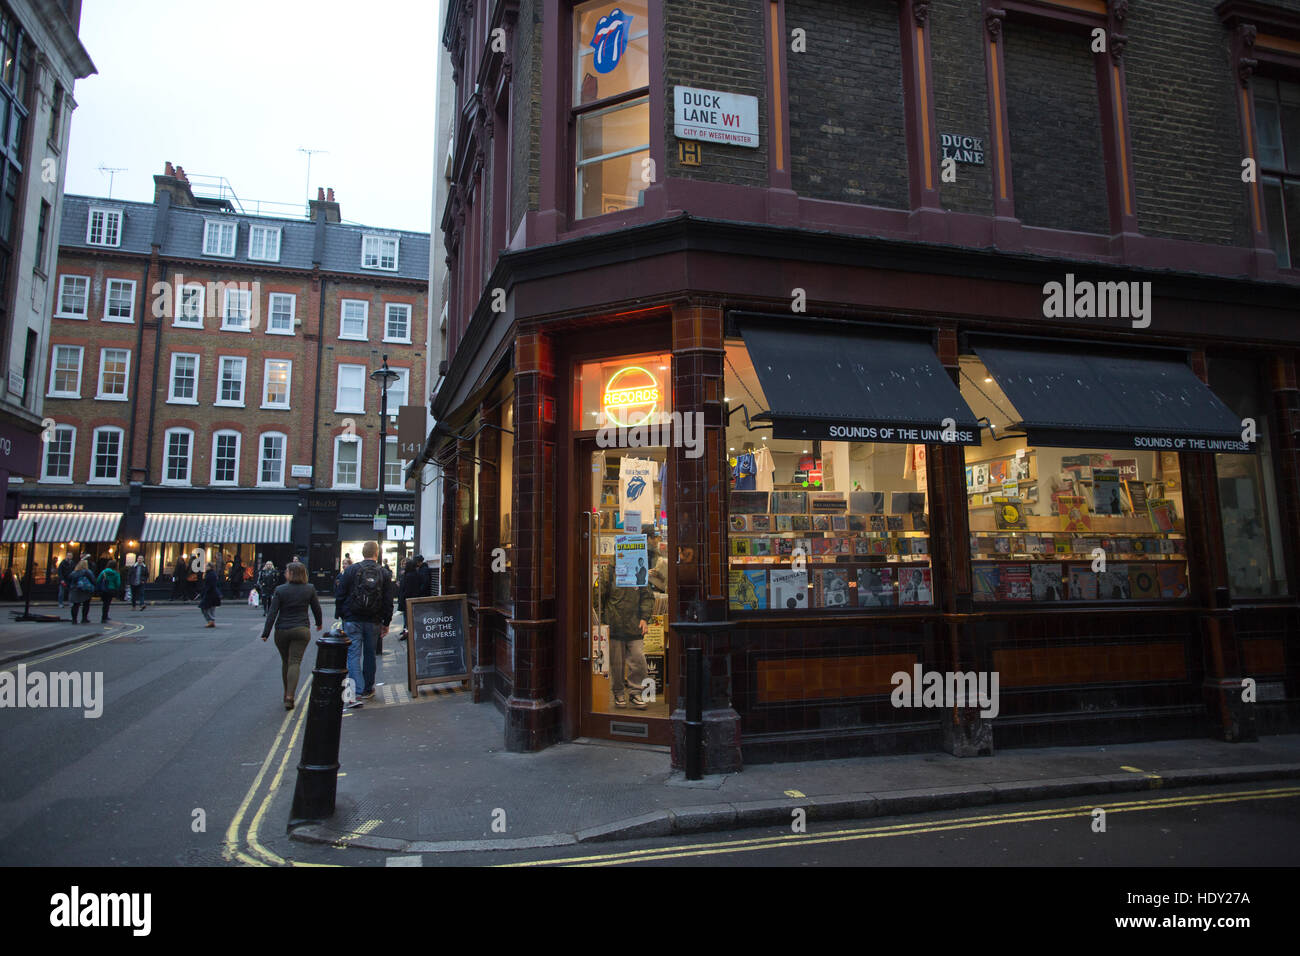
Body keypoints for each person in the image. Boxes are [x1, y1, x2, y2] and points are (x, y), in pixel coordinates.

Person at [594, 524, 655, 709]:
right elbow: (598, 596)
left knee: (639, 661)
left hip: (635, 624)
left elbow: (647, 597)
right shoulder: (609, 571)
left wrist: (644, 618)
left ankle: (636, 692)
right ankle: (619, 693)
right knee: (616, 664)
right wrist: (601, 621)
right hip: (614, 625)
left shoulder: (639, 570)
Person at [334, 540, 395, 708]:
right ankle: (368, 689)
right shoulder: (384, 573)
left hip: (352, 619)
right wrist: (386, 622)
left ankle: (357, 691)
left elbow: (340, 594)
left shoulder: (351, 570)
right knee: (370, 654)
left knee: (353, 654)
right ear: (377, 553)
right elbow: (388, 601)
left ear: (363, 552)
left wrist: (340, 615)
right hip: (374, 620)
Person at [260, 561, 323, 709]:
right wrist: (319, 623)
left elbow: (272, 613)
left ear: (292, 573)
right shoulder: (309, 589)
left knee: (286, 662)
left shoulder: (280, 590)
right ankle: (290, 695)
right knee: (295, 662)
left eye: (287, 571)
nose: (284, 573)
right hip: (301, 629)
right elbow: (317, 609)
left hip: (282, 630)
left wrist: (266, 633)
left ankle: (286, 693)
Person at [398, 557, 422, 642]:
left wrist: (403, 597)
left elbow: (406, 589)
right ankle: (407, 632)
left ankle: (407, 632)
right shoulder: (416, 574)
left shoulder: (408, 576)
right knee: (409, 617)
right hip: (414, 599)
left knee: (407, 618)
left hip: (407, 600)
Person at [67, 557, 96, 624]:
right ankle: (84, 618)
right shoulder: (88, 572)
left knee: (75, 605)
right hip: (85, 590)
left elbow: (69, 580)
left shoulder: (74, 572)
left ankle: (74, 620)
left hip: (75, 590)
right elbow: (93, 580)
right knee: (86, 605)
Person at [198, 562, 222, 627]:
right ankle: (211, 621)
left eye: (206, 566)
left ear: (210, 567)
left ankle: (210, 620)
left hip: (210, 594)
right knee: (211, 608)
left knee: (204, 608)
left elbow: (209, 585)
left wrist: (204, 592)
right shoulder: (212, 574)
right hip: (213, 594)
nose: (205, 567)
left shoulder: (210, 574)